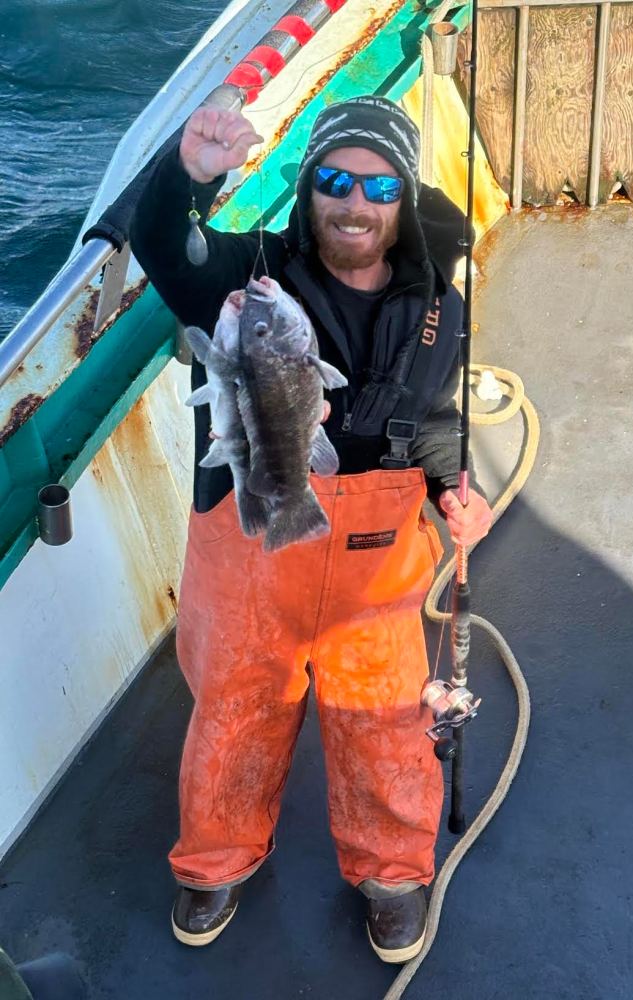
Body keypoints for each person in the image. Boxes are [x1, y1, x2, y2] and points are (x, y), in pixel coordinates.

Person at [130, 95, 492, 963]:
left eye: (377, 186)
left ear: (402, 200)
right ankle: (214, 862)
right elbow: (160, 246)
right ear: (309, 190)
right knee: (236, 709)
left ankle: (393, 874)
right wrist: (187, 176)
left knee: (384, 719)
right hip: (253, 534)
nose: (353, 202)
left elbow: (437, 418)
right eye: (334, 179)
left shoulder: (442, 306)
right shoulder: (248, 279)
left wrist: (452, 486)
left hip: (376, 556)